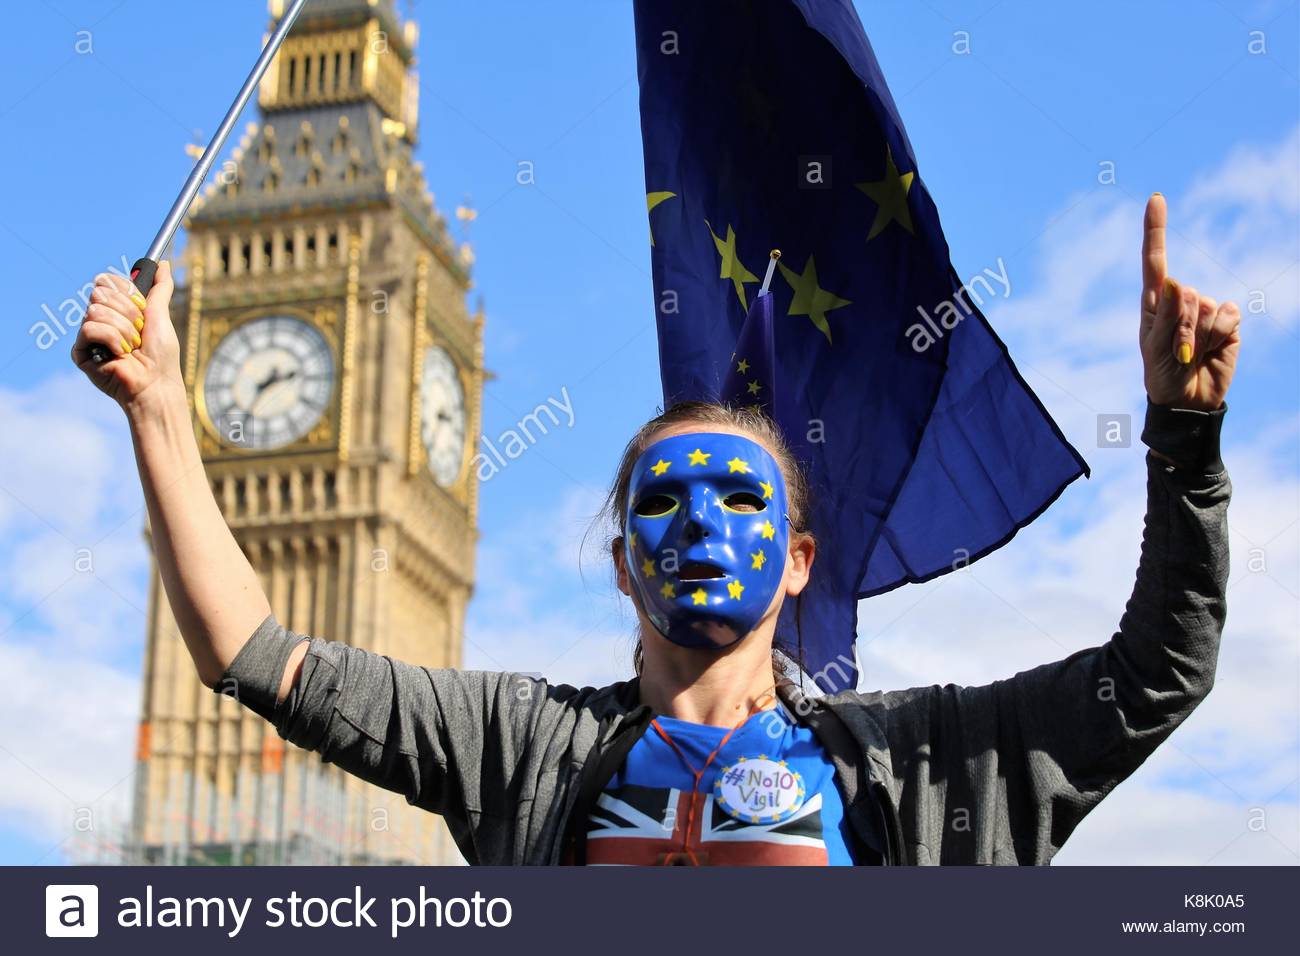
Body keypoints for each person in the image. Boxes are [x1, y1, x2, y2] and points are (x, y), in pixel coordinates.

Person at [71, 195, 1239, 865]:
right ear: (624, 563)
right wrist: (164, 411)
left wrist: (1183, 440)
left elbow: (1153, 677)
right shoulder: (519, 745)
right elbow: (255, 653)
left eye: (742, 499)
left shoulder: (913, 761)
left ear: (798, 564)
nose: (702, 524)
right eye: (665, 500)